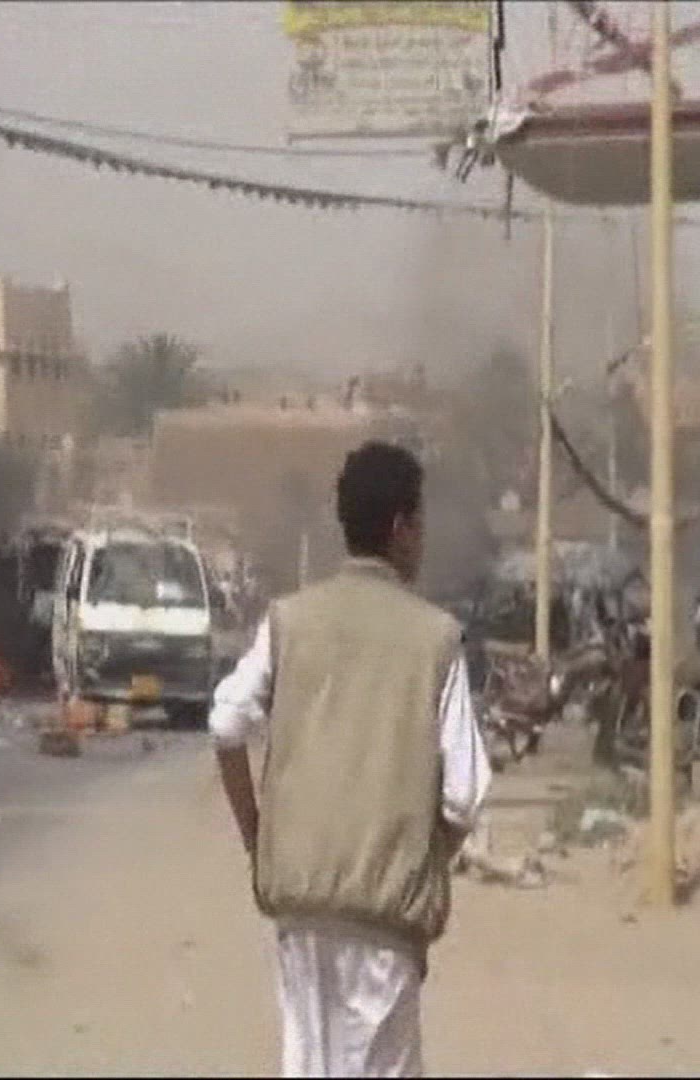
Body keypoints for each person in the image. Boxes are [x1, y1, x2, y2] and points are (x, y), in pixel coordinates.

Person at [209, 441, 493, 1078]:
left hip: (298, 907)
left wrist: (258, 841)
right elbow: (464, 795)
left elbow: (226, 724)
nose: (422, 540)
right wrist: (424, 866)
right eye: (419, 524)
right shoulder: (436, 640)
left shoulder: (288, 621)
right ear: (400, 527)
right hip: (383, 917)